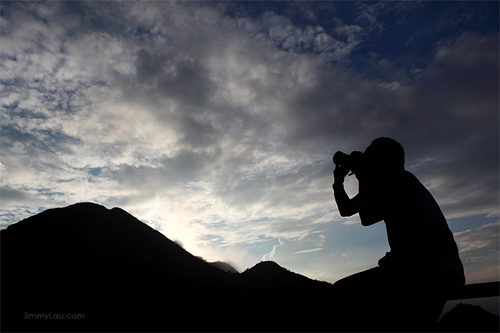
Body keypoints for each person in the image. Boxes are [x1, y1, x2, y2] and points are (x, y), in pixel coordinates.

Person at [331, 137, 465, 331]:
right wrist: (362, 175)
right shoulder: (401, 181)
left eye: (369, 158)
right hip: (438, 273)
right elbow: (367, 218)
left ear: (379, 160)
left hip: (423, 275)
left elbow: (346, 209)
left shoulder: (391, 176)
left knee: (341, 293)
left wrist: (338, 182)